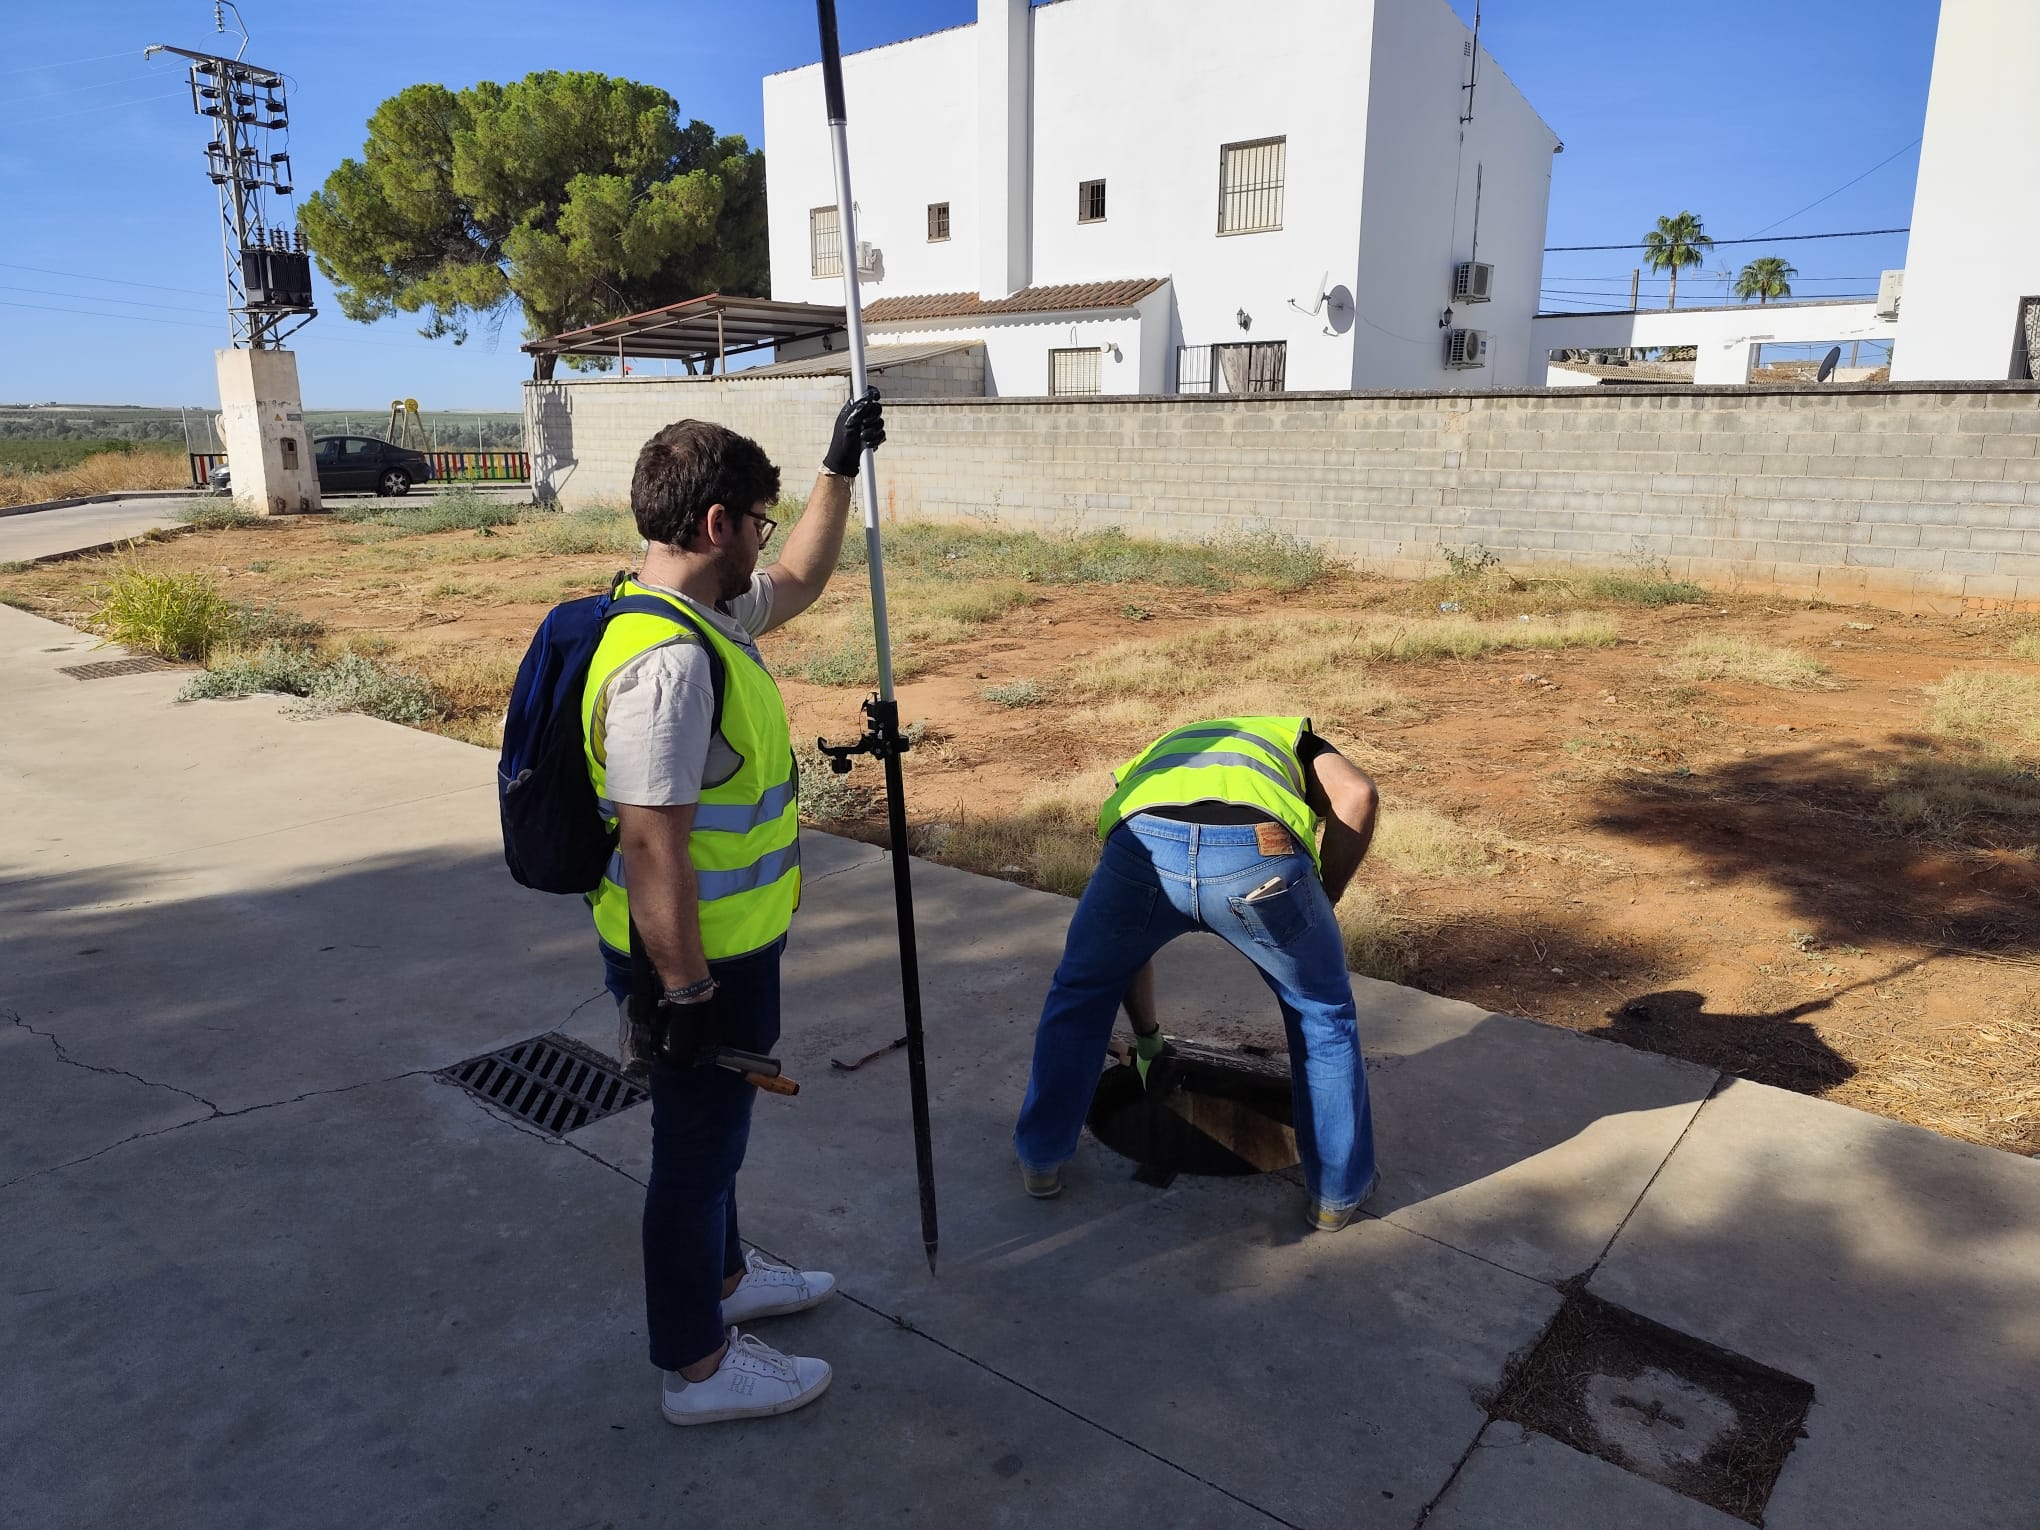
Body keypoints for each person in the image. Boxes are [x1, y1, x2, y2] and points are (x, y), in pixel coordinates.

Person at [583, 392, 884, 1426]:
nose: (766, 535)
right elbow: (653, 842)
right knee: (694, 1154)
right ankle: (696, 1367)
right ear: (717, 527)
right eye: (759, 515)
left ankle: (722, 1280)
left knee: (713, 1139)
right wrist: (686, 991)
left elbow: (797, 578)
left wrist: (836, 469)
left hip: (727, 949)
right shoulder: (667, 667)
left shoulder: (699, 615)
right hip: (693, 962)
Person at [1013, 715, 1382, 1231]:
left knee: (1080, 992)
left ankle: (1041, 1163)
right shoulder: (1298, 740)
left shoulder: (1163, 750)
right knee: (1322, 1012)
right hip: (1259, 857)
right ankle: (1335, 1198)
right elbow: (1357, 795)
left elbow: (1127, 954)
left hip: (1142, 841)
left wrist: (1148, 1039)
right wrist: (1326, 894)